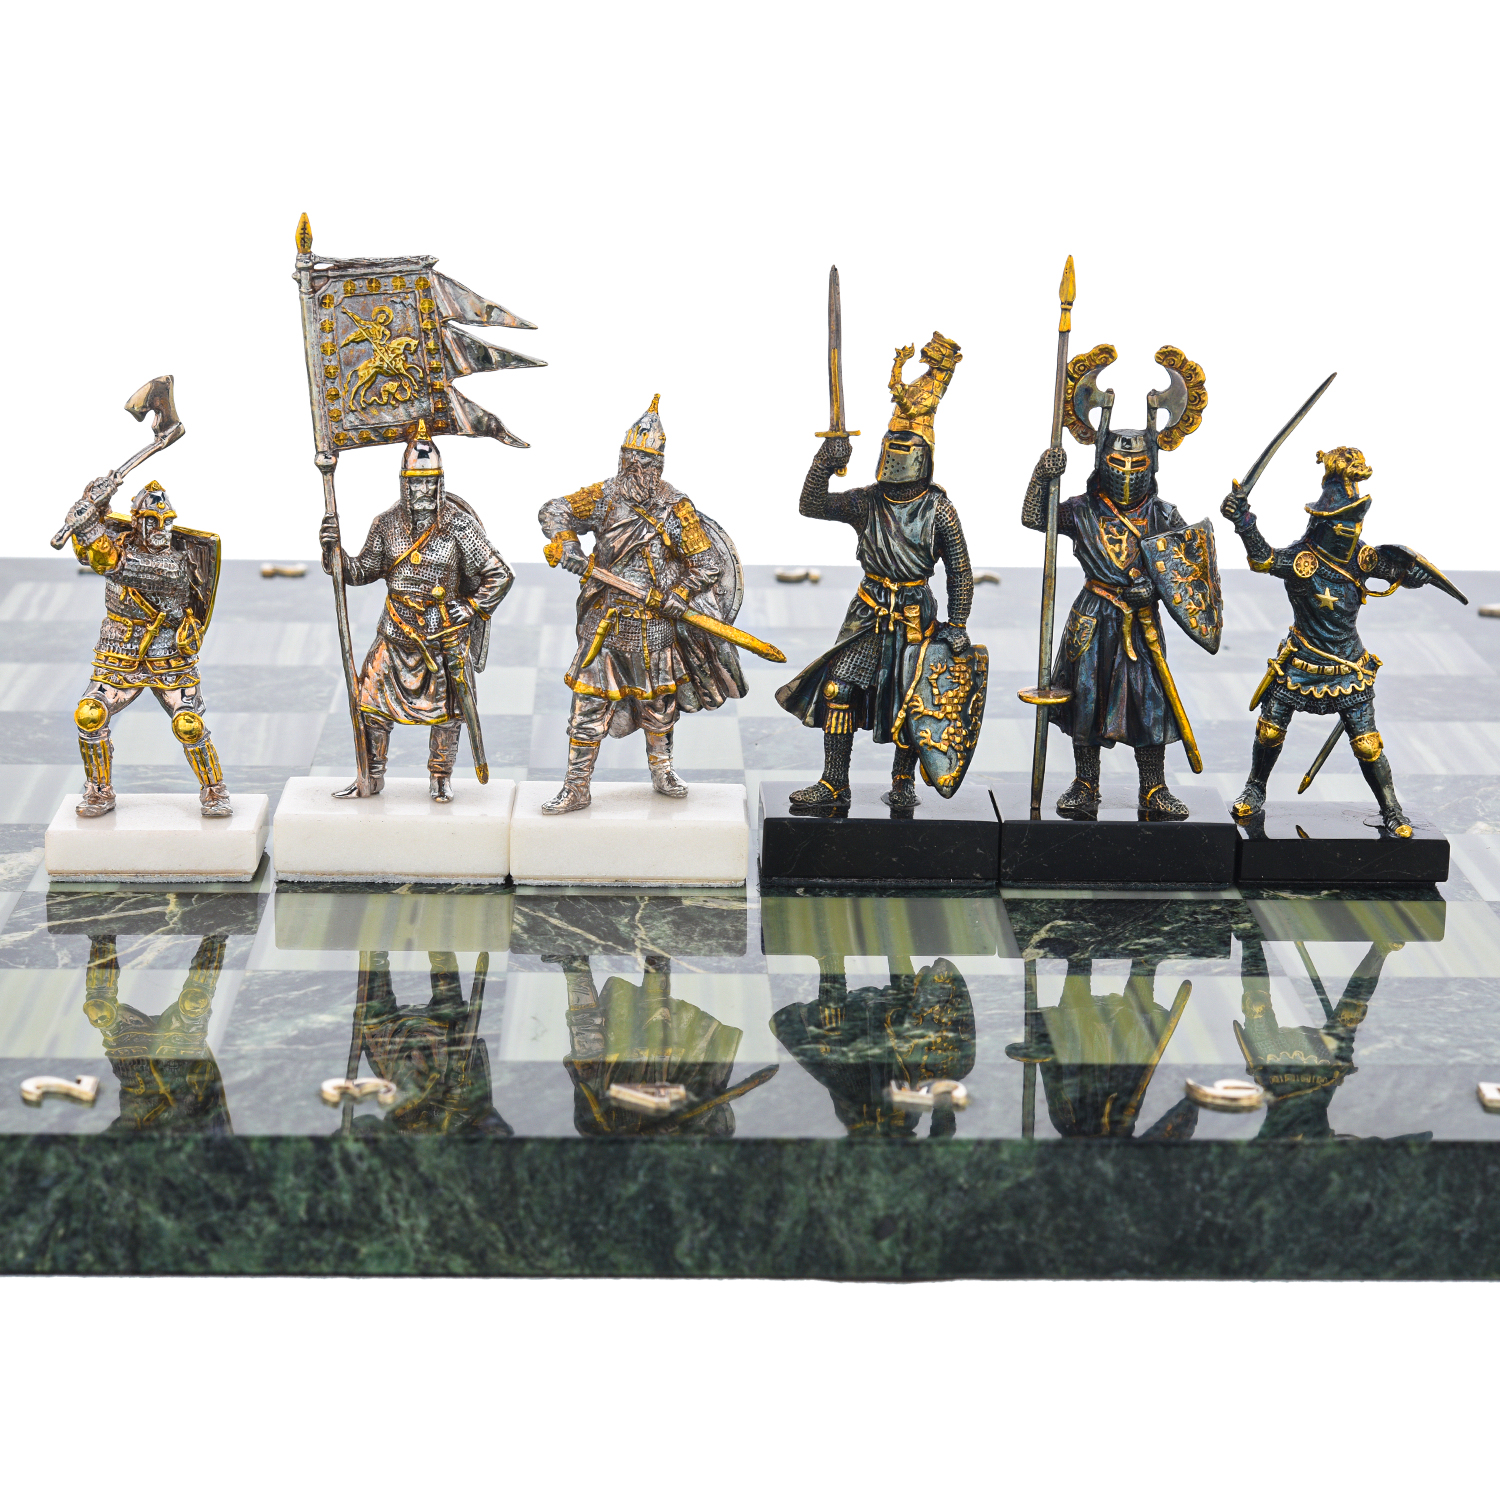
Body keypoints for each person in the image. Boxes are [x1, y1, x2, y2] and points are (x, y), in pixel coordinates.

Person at [1221, 445, 1466, 835]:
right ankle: (1255, 787)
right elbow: (1263, 558)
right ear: (1323, 524)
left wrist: (1414, 576)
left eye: (1355, 526)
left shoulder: (1362, 559)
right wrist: (1243, 521)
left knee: (1368, 745)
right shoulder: (1300, 560)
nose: (1351, 533)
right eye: (1343, 526)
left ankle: (1391, 808)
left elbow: (1397, 571)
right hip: (1299, 664)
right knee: (1269, 730)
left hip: (1348, 667)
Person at [776, 334, 975, 808]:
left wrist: (958, 623)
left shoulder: (939, 510)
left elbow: (960, 571)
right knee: (839, 688)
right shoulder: (867, 501)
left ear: (924, 453)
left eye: (907, 445)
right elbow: (812, 505)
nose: (897, 452)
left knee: (912, 700)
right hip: (869, 611)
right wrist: (824, 464)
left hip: (914, 613)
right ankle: (834, 782)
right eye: (892, 443)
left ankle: (903, 781)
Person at [537, 395, 746, 814]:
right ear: (622, 459)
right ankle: (576, 787)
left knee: (659, 705)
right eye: (632, 460)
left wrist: (680, 594)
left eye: (647, 463)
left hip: (655, 625)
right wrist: (567, 543)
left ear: (659, 465)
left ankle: (662, 770)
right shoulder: (603, 496)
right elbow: (555, 509)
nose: (638, 469)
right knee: (588, 704)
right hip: (605, 621)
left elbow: (707, 563)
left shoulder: (675, 507)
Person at [319, 421, 512, 801]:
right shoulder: (386, 524)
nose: (422, 490)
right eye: (415, 483)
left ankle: (440, 776)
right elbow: (360, 571)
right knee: (370, 704)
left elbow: (500, 575)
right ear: (404, 484)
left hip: (442, 638)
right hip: (395, 633)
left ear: (439, 482)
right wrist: (334, 552)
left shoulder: (458, 526)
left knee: (448, 714)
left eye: (429, 482)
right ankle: (371, 775)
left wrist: (471, 607)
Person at [63, 476, 229, 817]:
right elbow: (86, 552)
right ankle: (98, 791)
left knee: (188, 725)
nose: (161, 529)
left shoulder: (174, 564)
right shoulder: (118, 539)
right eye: (152, 521)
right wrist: (92, 504)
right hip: (118, 652)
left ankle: (214, 789)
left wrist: (87, 521)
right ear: (137, 521)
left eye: (166, 522)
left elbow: (111, 564)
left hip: (168, 656)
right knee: (89, 715)